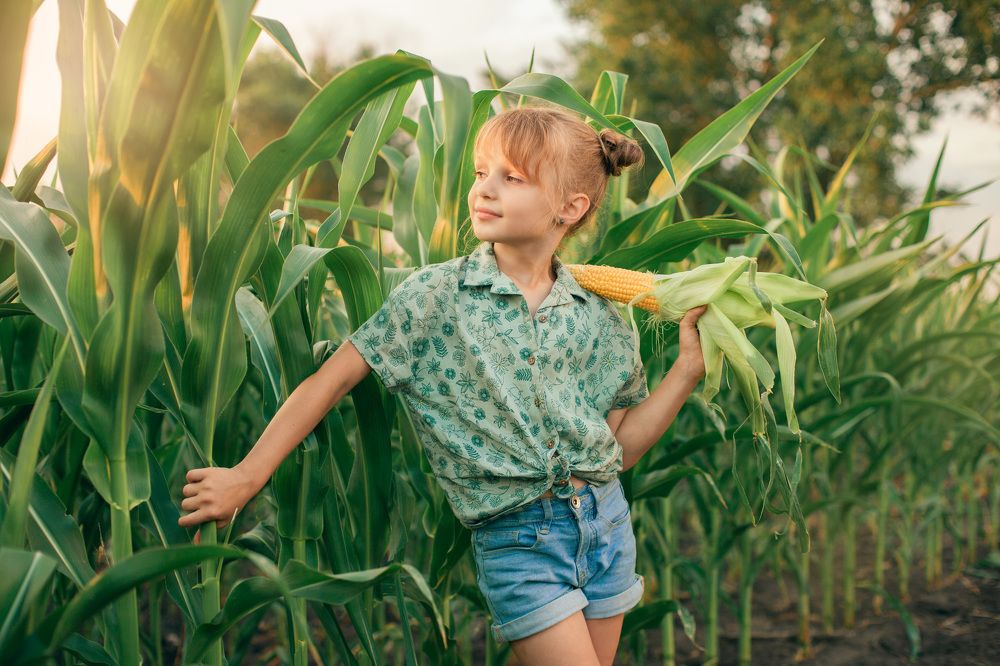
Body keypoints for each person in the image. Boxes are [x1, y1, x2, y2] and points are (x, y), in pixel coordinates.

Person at [178, 104, 707, 666]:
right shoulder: (434, 298)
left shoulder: (599, 315)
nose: (484, 189)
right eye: (481, 173)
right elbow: (328, 383)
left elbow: (618, 451)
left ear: (569, 208)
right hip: (520, 542)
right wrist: (246, 475)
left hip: (606, 525)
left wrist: (685, 373)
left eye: (512, 178)